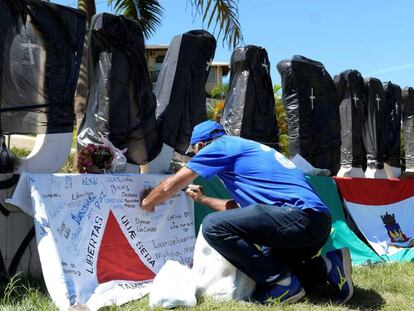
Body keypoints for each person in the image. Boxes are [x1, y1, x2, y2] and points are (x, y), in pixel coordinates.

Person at [141, 120, 353, 304]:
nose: (196, 157)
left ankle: (283, 283)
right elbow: (242, 212)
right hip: (315, 222)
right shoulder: (245, 148)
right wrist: (202, 199)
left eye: (195, 153)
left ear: (201, 145)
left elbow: (173, 184)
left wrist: (148, 202)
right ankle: (327, 265)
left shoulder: (219, 147)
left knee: (212, 225)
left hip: (298, 217)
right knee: (261, 276)